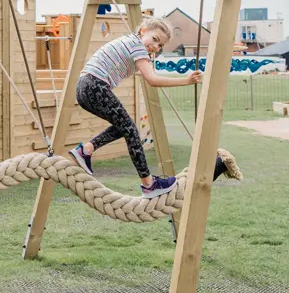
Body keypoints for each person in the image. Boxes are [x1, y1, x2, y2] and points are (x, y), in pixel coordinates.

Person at [69, 17, 203, 199]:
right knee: (131, 129)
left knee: (124, 127)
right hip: (95, 85)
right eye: (155, 39)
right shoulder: (138, 47)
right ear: (143, 31)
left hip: (84, 88)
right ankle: (149, 184)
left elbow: (146, 72)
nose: (156, 47)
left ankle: (87, 149)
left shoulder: (129, 42)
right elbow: (153, 80)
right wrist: (186, 80)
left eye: (160, 45)